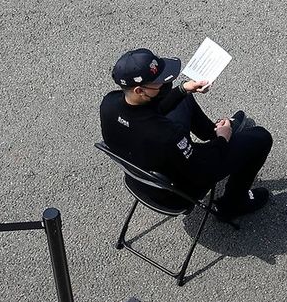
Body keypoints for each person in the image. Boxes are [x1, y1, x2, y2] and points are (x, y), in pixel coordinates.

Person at [100, 48, 273, 220]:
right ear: (139, 90)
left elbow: (149, 112)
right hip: (176, 192)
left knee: (184, 100)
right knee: (261, 138)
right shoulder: (167, 135)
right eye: (159, 81)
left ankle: (213, 131)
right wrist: (223, 139)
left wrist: (183, 89)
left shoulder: (109, 103)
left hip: (140, 176)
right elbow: (203, 170)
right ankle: (233, 204)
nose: (167, 82)